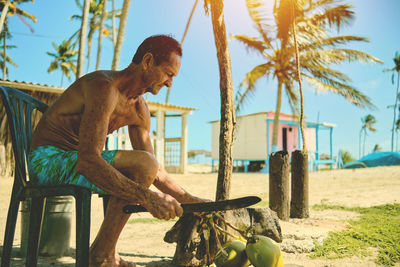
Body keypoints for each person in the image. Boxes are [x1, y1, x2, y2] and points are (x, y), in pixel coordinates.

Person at [28, 34, 207, 267]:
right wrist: (149, 198)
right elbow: (88, 162)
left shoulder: (139, 109)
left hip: (75, 161)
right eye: (168, 74)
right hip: (47, 161)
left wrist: (188, 200)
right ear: (148, 61)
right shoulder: (104, 87)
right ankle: (101, 256)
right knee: (142, 165)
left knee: (145, 165)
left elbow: (153, 169)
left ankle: (103, 253)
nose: (170, 83)